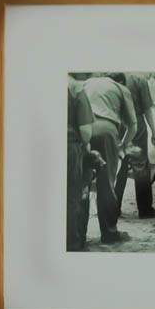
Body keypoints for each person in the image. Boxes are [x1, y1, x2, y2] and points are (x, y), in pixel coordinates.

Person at [82, 73, 136, 244]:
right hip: (106, 130)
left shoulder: (86, 83)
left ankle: (78, 234)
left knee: (80, 183)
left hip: (83, 128)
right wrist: (122, 145)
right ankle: (109, 233)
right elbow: (133, 126)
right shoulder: (121, 88)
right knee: (106, 183)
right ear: (120, 80)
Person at [120, 72, 155, 220]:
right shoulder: (139, 79)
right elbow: (147, 110)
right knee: (140, 166)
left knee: (119, 166)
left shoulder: (113, 75)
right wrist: (154, 131)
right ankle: (144, 209)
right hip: (135, 122)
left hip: (117, 122)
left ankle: (113, 208)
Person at [66, 76, 94, 251]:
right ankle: (73, 244)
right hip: (69, 147)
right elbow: (85, 132)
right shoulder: (75, 88)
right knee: (72, 198)